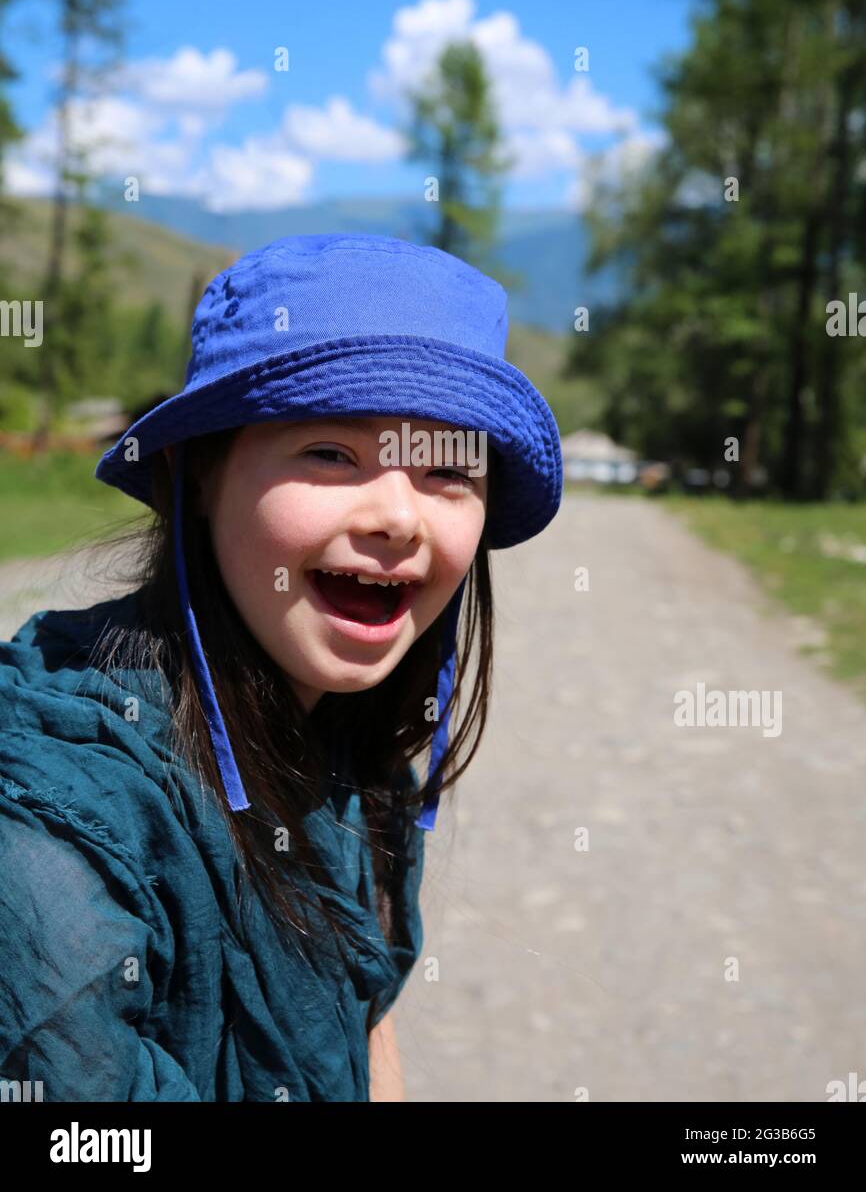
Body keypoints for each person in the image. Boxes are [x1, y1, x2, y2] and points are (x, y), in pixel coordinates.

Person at [0, 232, 562, 1102]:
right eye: (331, 453)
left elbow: (367, 1022)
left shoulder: (356, 757)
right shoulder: (52, 844)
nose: (399, 517)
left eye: (450, 467)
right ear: (198, 473)